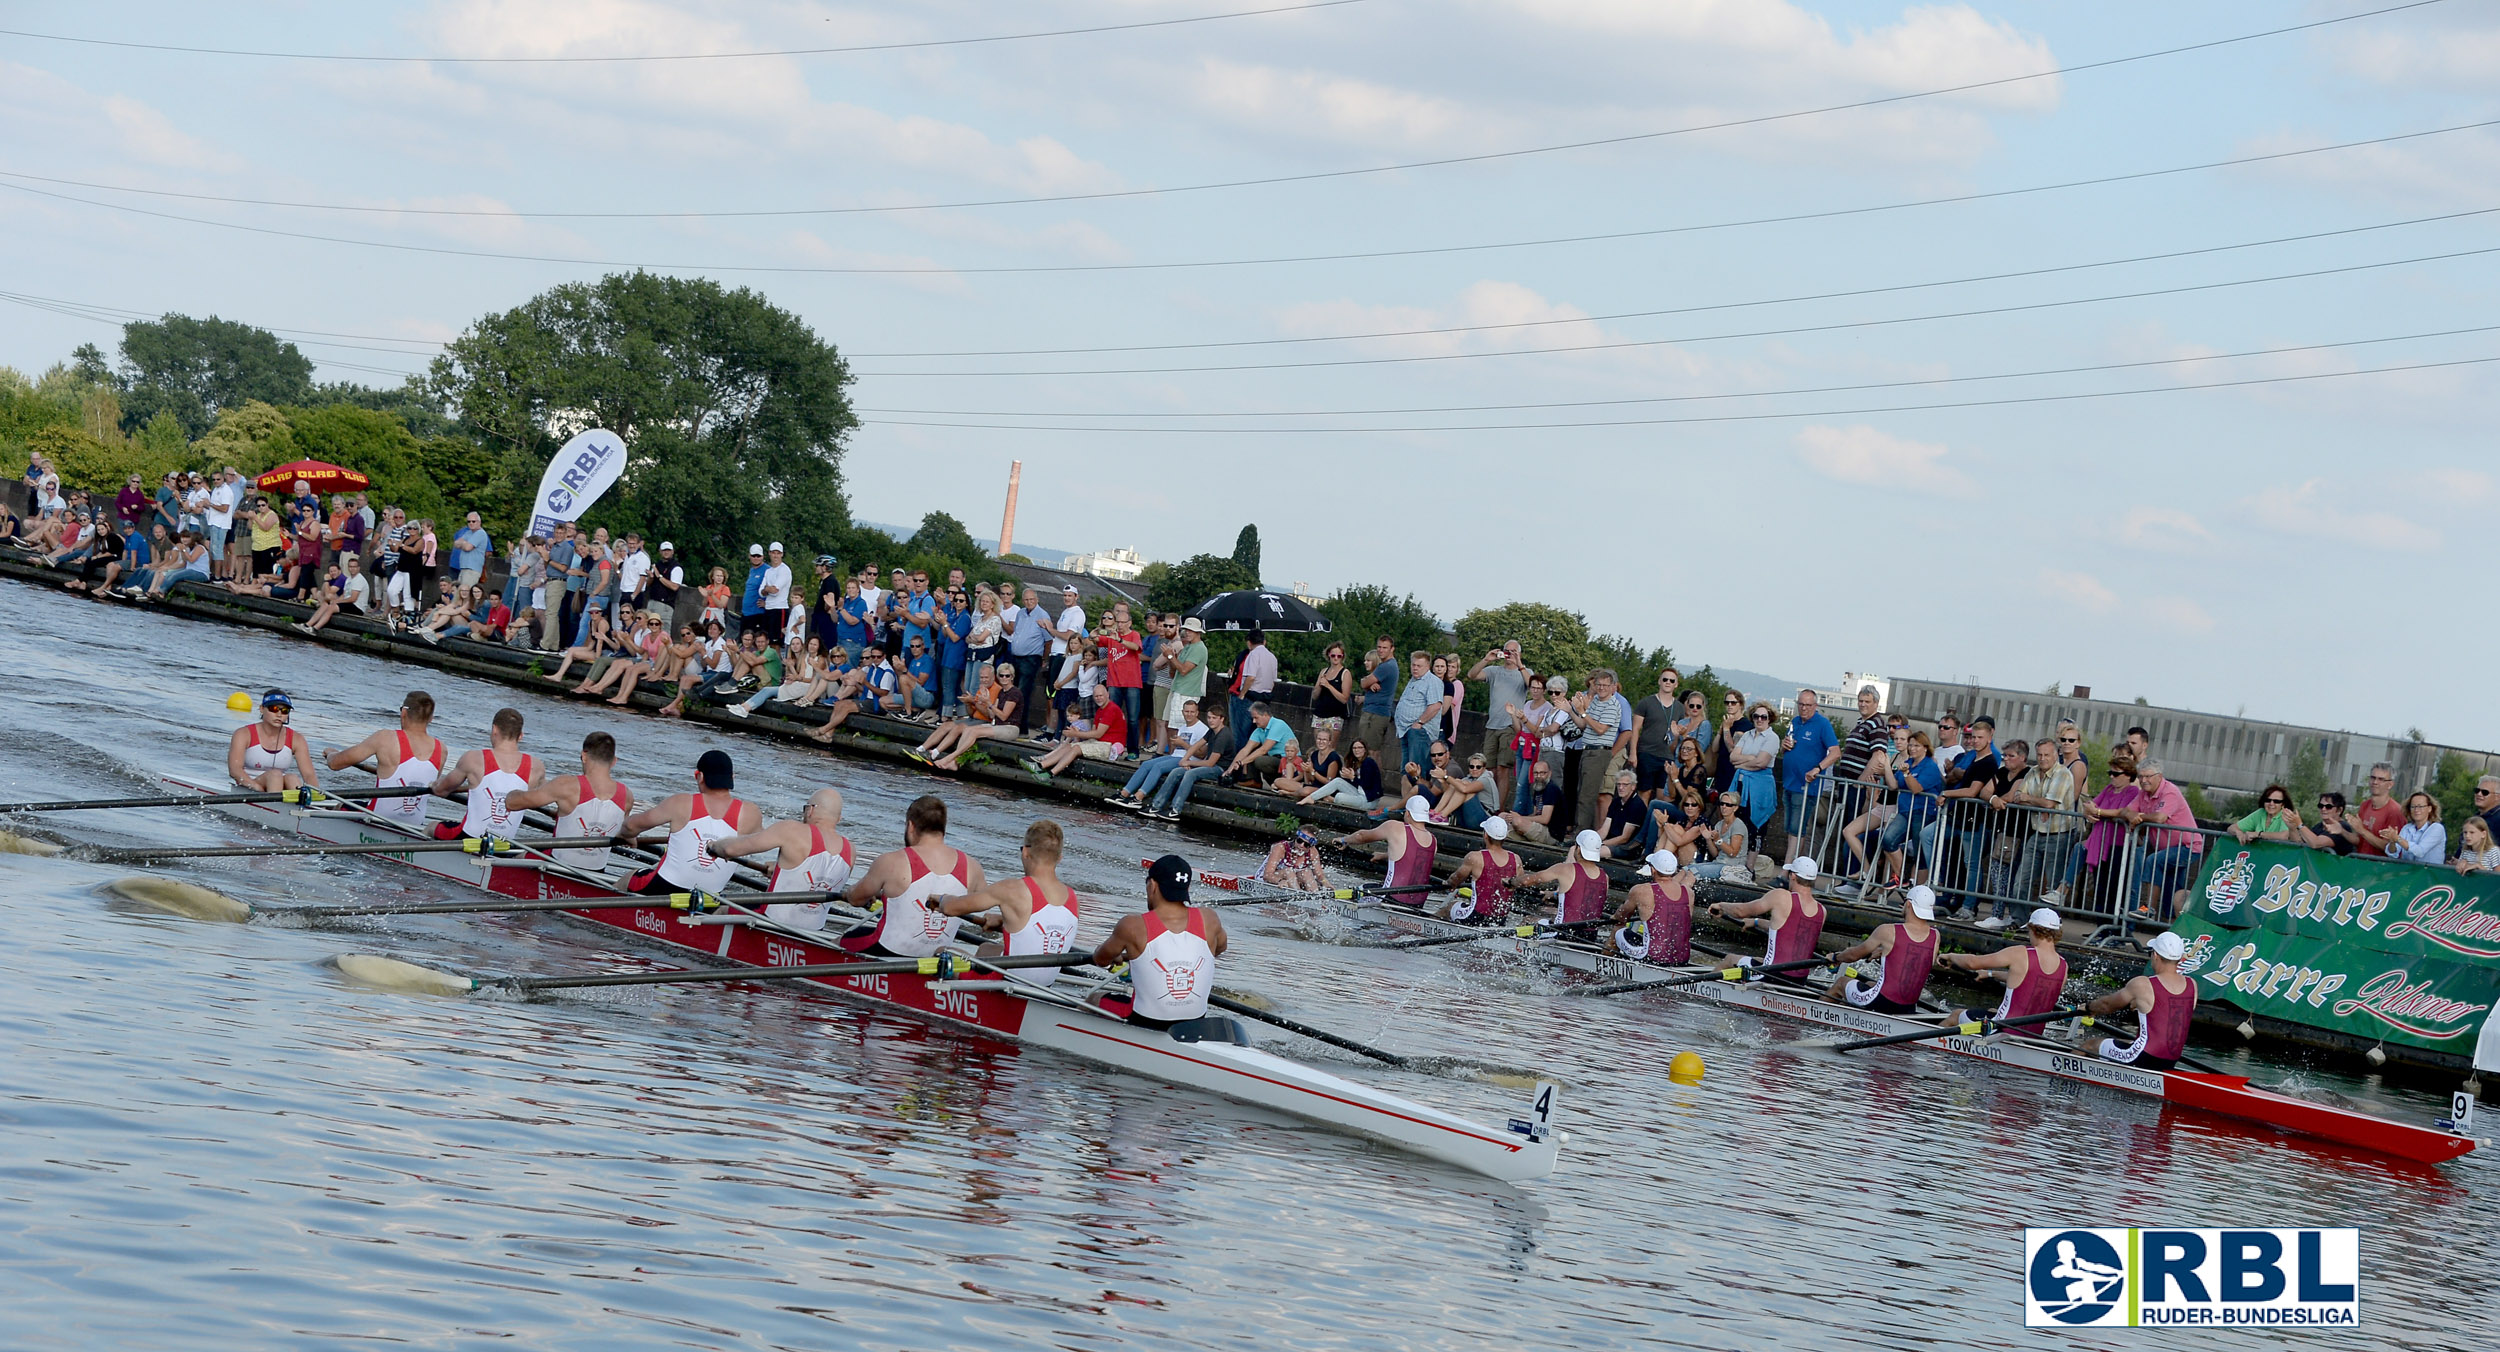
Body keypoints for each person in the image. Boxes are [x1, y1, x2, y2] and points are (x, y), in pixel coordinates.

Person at [840, 794, 988, 957]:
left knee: (843, 939)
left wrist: (852, 892)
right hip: (936, 956)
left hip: (890, 951)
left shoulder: (891, 861)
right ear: (943, 828)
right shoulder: (973, 867)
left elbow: (855, 899)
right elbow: (983, 905)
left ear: (910, 826)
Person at [1090, 854, 1226, 1029]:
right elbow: (1220, 948)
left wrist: (1120, 956)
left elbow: (1100, 959)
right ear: (1187, 887)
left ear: (1152, 886)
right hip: (1196, 1021)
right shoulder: (1210, 918)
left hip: (1146, 1019)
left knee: (1093, 998)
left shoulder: (1131, 925)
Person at [940, 819, 1082, 985]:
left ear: (1026, 852)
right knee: (986, 948)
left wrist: (939, 899)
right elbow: (1039, 927)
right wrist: (1004, 920)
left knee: (941, 952)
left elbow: (951, 908)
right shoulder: (1072, 897)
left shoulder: (1011, 888)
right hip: (1044, 986)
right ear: (1059, 858)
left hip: (1007, 985)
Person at [617, 749, 760, 895]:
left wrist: (628, 836)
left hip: (665, 888)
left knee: (631, 876)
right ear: (732, 778)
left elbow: (630, 826)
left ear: (699, 776)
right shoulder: (751, 813)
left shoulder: (681, 802)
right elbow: (761, 845)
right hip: (710, 897)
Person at [713, 788, 852, 930]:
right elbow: (817, 875)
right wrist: (782, 868)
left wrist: (715, 847)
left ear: (810, 810)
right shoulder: (851, 850)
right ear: (839, 818)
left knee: (723, 907)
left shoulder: (791, 829)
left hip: (771, 922)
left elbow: (730, 850)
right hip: (813, 932)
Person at [501, 732, 637, 872]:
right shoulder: (627, 796)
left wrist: (512, 793)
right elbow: (624, 833)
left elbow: (512, 803)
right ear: (614, 761)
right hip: (595, 873)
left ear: (584, 755)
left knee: (517, 856)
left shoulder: (566, 785)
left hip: (557, 866)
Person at [324, 690, 448, 829]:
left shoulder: (385, 738)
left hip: (377, 818)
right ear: (431, 718)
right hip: (413, 826)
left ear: (404, 713)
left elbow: (335, 764)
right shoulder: (441, 749)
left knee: (340, 806)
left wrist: (330, 753)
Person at [1942, 905, 2071, 1037]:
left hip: (2003, 1030)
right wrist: (1990, 973)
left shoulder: (2020, 953)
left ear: (2033, 929)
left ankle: (1925, 1044)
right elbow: (2030, 982)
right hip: (2034, 1035)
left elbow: (1973, 962)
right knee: (1992, 1010)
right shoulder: (2063, 965)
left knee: (1956, 1015)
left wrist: (1950, 957)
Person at [2085, 930, 2197, 1071]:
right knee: (2128, 1042)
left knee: (2090, 1045)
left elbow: (2106, 1006)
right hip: (2170, 1060)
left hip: (2142, 1056)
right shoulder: (2192, 984)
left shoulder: (2142, 984)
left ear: (2155, 955)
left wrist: (2089, 1008)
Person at [431, 708, 545, 842]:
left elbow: (441, 791)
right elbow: (542, 798)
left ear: (494, 730)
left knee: (431, 827)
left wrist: (434, 784)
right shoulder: (537, 767)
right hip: (504, 845)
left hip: (468, 839)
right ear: (521, 735)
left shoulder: (473, 758)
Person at [1826, 885, 1939, 1014]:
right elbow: (1918, 959)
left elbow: (1853, 955)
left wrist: (1836, 957)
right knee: (1869, 984)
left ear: (1908, 904)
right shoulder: (1935, 936)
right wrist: (1884, 951)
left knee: (1841, 983)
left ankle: (1816, 1013)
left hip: (1882, 1002)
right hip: (1908, 1007)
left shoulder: (1888, 930)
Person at [1705, 857, 1824, 974]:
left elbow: (1740, 911)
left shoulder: (1781, 896)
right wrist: (1756, 922)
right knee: (1758, 960)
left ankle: (1704, 988)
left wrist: (1721, 906)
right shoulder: (1822, 911)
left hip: (1772, 973)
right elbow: (1788, 930)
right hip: (1799, 980)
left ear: (1793, 876)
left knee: (1730, 959)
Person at [2122, 760, 2203, 921]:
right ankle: (2173, 929)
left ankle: (2148, 908)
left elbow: (2160, 817)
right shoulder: (2143, 794)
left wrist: (2138, 817)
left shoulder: (2170, 791)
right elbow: (2127, 810)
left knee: (2153, 861)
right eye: (2141, 776)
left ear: (2159, 777)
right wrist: (2130, 814)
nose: (2144, 780)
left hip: (2188, 846)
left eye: (2148, 776)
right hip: (2169, 848)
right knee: (2172, 891)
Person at [1777, 688, 1841, 864]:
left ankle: (1787, 870)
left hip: (1806, 786)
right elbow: (1787, 749)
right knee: (1790, 829)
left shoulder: (1822, 724)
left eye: (1808, 705)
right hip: (1790, 782)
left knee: (1798, 830)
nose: (1804, 708)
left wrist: (1818, 769)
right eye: (1801, 704)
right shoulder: (1795, 721)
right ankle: (1790, 867)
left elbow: (1835, 752)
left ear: (1815, 706)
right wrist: (1784, 746)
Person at [1141, 707, 1234, 821]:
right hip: (1208, 765)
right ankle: (1156, 805)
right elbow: (1196, 746)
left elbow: (1210, 763)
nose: (1210, 720)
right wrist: (1184, 760)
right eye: (1209, 717)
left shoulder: (1223, 735)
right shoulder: (1212, 731)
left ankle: (1175, 809)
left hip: (1219, 769)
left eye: (1214, 718)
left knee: (1190, 774)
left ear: (1222, 719)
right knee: (1176, 772)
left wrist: (1189, 762)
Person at [1341, 796, 1439, 902]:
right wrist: (1384, 856)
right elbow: (1411, 856)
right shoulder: (1433, 841)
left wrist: (1344, 840)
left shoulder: (1395, 827)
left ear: (1407, 813)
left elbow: (1361, 836)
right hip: (1417, 904)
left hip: (1390, 898)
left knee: (1359, 891)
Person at [1606, 849, 1695, 965]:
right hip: (1683, 958)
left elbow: (1622, 916)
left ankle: (1604, 963)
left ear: (1653, 870)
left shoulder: (1641, 890)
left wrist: (1616, 917)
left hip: (1653, 957)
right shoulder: (1689, 892)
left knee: (1618, 929)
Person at [1471, 641, 1530, 804]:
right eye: (1507, 651)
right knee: (1488, 770)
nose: (1509, 654)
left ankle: (1499, 808)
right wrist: (1486, 659)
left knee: (1503, 769)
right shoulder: (1494, 671)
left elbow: (1532, 686)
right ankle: (1488, 804)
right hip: (1492, 725)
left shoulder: (1525, 672)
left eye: (1513, 651)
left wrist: (1520, 664)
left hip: (1510, 726)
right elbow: (1472, 675)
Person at [1028, 684, 1128, 777]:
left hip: (1109, 745)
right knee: (1068, 746)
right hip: (1098, 742)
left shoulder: (1111, 709)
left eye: (1101, 695)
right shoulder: (1100, 710)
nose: (1098, 698)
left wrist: (1075, 733)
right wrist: (1075, 735)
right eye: (1096, 696)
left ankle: (1050, 774)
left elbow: (1098, 734)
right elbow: (1093, 733)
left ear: (1108, 694)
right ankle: (1040, 765)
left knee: (1075, 748)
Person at [228, 688, 317, 792]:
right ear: (262, 709)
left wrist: (316, 797)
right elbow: (235, 770)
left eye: (284, 711)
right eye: (273, 709)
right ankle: (273, 804)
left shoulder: (297, 739)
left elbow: (309, 775)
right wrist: (258, 788)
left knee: (292, 778)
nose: (279, 715)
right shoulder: (243, 734)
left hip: (278, 787)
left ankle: (301, 806)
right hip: (249, 786)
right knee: (275, 776)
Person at [1519, 829, 1611, 927]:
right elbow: (1582, 897)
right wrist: (1554, 894)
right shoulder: (1605, 877)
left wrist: (1511, 882)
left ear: (1578, 849)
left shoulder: (1566, 869)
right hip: (1591, 934)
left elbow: (1526, 881)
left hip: (1562, 932)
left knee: (1527, 920)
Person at [1442, 817, 1521, 923]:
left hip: (1475, 916)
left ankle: (1429, 922)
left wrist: (1448, 884)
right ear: (1505, 837)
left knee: (1450, 907)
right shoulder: (1516, 859)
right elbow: (1520, 884)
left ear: (1486, 835)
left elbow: (1455, 879)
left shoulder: (1475, 857)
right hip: (1500, 919)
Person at [1299, 733, 1382, 812]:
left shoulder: (1368, 762)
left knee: (1339, 797)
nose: (1357, 750)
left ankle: (1331, 799)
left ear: (1365, 749)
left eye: (1360, 748)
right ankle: (1311, 798)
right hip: (1359, 794)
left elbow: (1366, 784)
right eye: (1354, 748)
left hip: (1368, 800)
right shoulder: (1355, 762)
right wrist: (1346, 777)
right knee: (1338, 781)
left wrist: (1352, 778)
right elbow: (1356, 784)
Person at [1225, 701, 1297, 786]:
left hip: (1289, 761)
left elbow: (1264, 749)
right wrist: (1229, 770)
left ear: (1265, 715)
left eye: (1256, 718)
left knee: (1259, 760)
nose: (1254, 721)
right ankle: (1254, 780)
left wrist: (1242, 762)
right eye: (1253, 718)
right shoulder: (1258, 730)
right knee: (1251, 753)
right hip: (1275, 760)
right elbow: (1246, 750)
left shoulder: (1278, 724)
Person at [1356, 634, 1401, 769]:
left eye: (1384, 648)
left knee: (1371, 751)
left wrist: (1367, 683)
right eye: (1379, 647)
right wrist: (1370, 683)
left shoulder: (1386, 667)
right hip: (1375, 712)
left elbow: (1363, 683)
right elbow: (1366, 682)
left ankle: (1374, 783)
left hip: (1376, 713)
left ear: (1392, 649)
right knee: (1371, 750)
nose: (1381, 650)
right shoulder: (1387, 666)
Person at [1499, 758, 1565, 845]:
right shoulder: (1538, 788)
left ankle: (1513, 834)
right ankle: (1514, 834)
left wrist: (1520, 818)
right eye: (1536, 773)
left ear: (1549, 773)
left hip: (1551, 834)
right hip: (1538, 827)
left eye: (1543, 773)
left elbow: (1545, 819)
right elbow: (1535, 814)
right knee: (1502, 816)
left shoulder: (1551, 789)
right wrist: (1513, 817)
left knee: (1518, 821)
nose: (1539, 776)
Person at [2351, 761, 2405, 858]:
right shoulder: (2365, 805)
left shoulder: (2395, 811)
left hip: (2381, 868)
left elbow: (2390, 848)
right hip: (2361, 863)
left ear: (2390, 784)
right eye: (2373, 778)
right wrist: (2340, 830)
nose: (2375, 782)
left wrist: (2362, 830)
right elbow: (2359, 840)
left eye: (2381, 779)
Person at [1260, 827, 1327, 892]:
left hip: (1290, 880)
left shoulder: (1313, 852)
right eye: (1299, 841)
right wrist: (1279, 881)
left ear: (1311, 846)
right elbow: (1267, 875)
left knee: (1306, 872)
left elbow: (1320, 875)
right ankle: (1297, 895)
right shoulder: (1280, 847)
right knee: (1288, 871)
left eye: (1306, 845)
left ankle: (1315, 897)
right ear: (1295, 838)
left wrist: (1327, 884)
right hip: (1267, 878)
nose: (1301, 845)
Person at [2229, 785, 2303, 844]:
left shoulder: (2287, 815)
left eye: (2276, 801)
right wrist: (2239, 833)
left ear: (2282, 804)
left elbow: (2284, 836)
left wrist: (2258, 834)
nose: (2271, 804)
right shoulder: (2260, 813)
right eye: (2268, 800)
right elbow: (2231, 828)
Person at [2396, 791, 2447, 865]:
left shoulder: (2437, 828)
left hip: (2429, 874)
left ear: (2429, 808)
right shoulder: (2406, 828)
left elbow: (2420, 851)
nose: (2416, 810)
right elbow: (2393, 853)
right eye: (2413, 807)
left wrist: (2397, 839)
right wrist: (2392, 841)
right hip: (2408, 873)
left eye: (2420, 806)